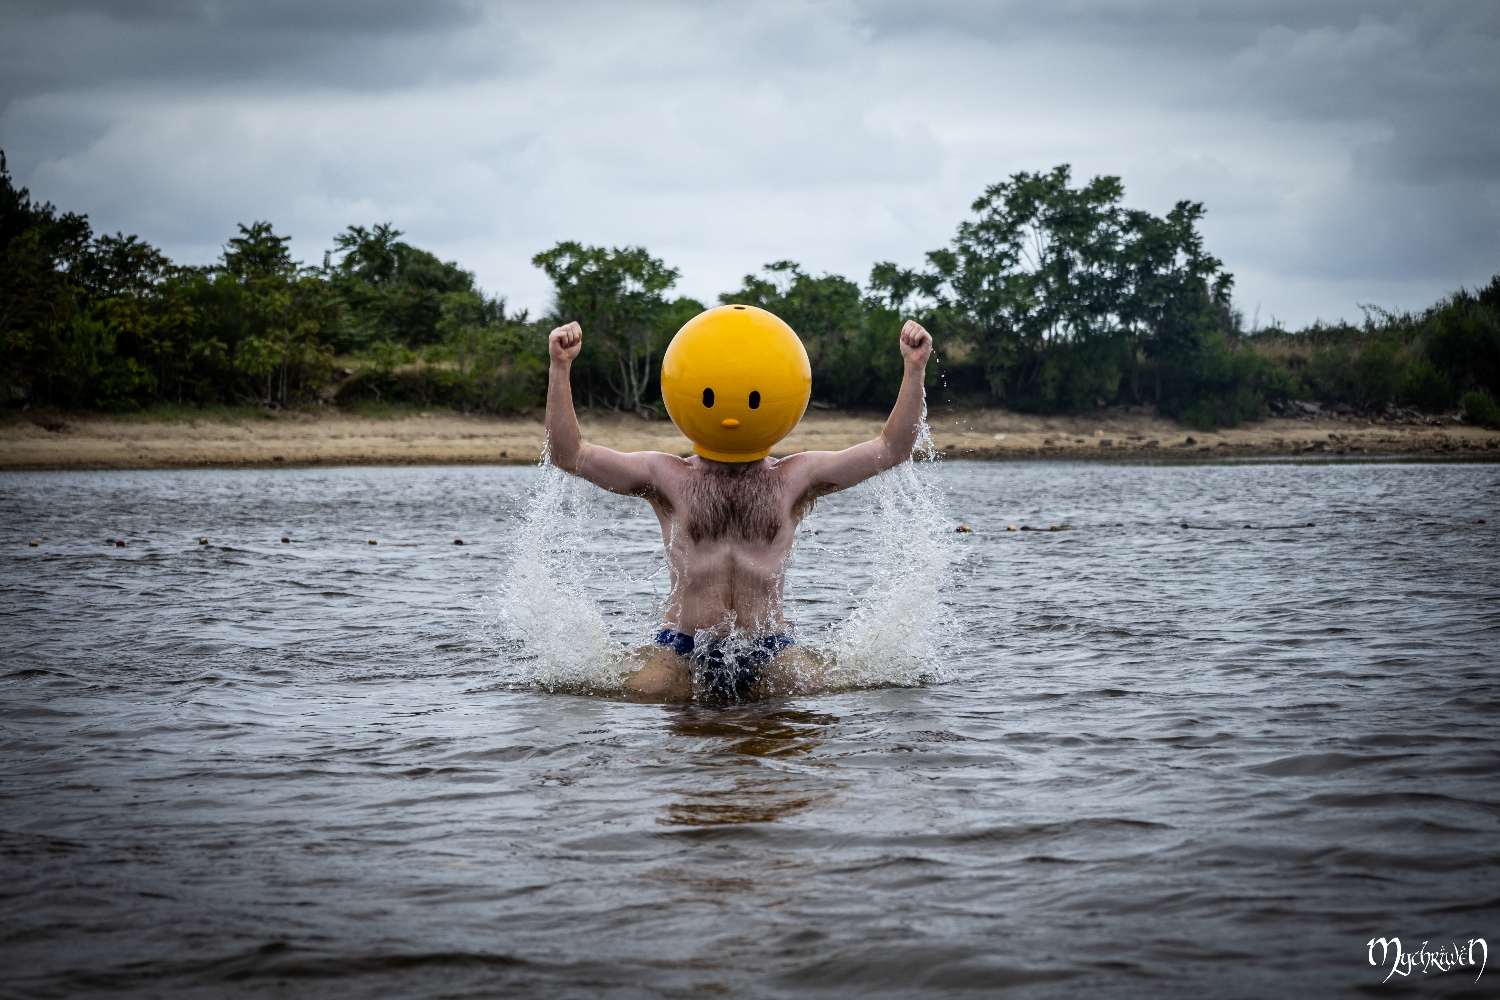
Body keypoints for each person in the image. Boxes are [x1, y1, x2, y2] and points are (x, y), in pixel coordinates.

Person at [544, 306, 932, 701]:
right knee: (644, 696)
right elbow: (569, 454)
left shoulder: (795, 478)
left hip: (768, 644)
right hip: (683, 643)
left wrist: (914, 367)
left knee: (818, 696)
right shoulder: (667, 476)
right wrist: (561, 366)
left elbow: (892, 449)